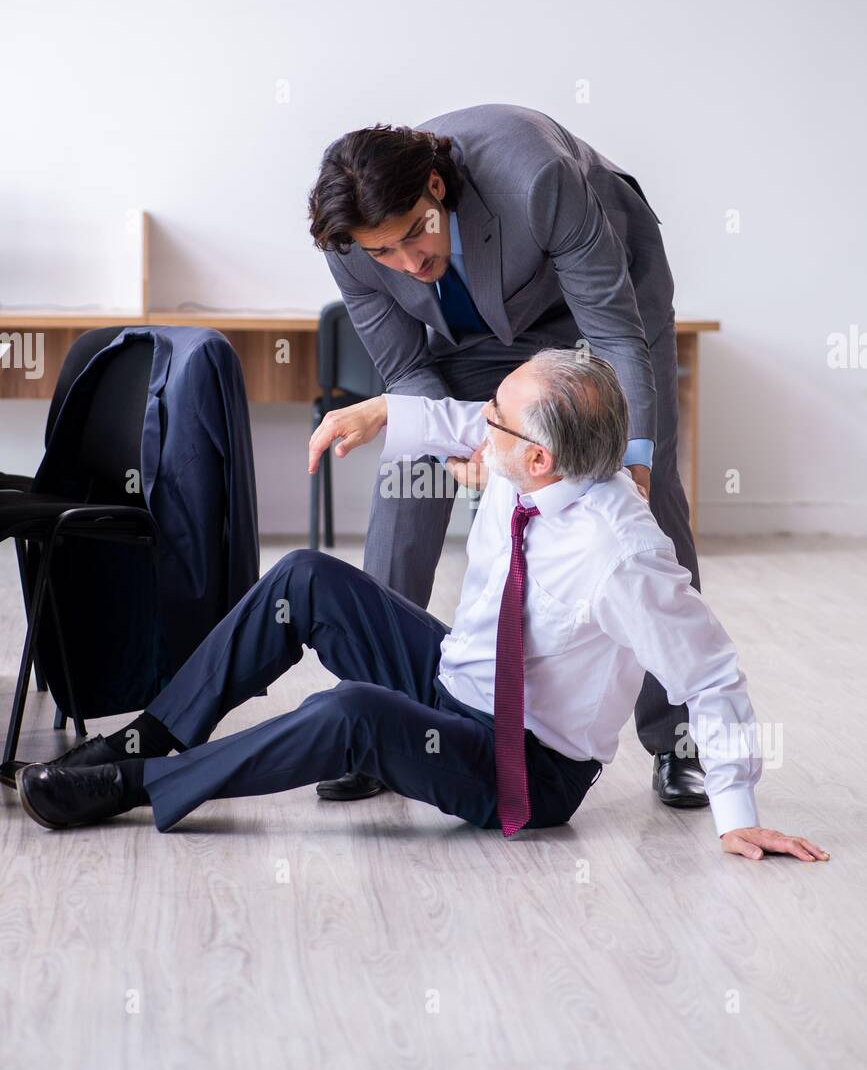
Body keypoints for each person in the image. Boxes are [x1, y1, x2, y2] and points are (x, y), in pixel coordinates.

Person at [15, 351, 828, 864]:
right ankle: (152, 729)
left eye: (495, 420)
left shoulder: (624, 558)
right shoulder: (531, 462)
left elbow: (711, 673)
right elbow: (452, 419)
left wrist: (735, 808)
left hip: (523, 763)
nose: (481, 426)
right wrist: (373, 413)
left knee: (352, 712)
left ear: (538, 456)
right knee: (304, 576)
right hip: (455, 679)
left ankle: (141, 782)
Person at [308, 101, 704, 807]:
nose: (405, 264)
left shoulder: (536, 179)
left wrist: (632, 461)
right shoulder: (351, 246)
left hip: (599, 313)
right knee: (408, 474)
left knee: (646, 502)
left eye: (410, 238)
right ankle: (378, 717)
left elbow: (613, 339)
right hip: (473, 332)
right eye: (383, 254)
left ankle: (678, 736)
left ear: (434, 186)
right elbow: (406, 377)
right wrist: (455, 445)